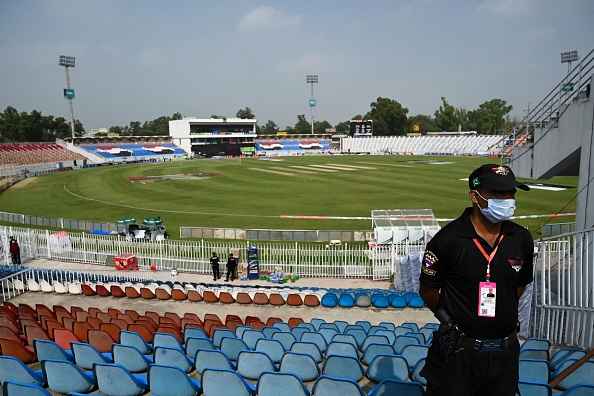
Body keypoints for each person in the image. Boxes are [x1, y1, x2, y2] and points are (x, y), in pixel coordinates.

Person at [419, 164, 534, 396]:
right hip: (460, 352)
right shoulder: (447, 239)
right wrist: (450, 321)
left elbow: (518, 287)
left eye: (510, 193)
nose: (507, 199)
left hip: (505, 353)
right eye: (497, 194)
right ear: (475, 196)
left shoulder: (521, 238)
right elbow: (429, 291)